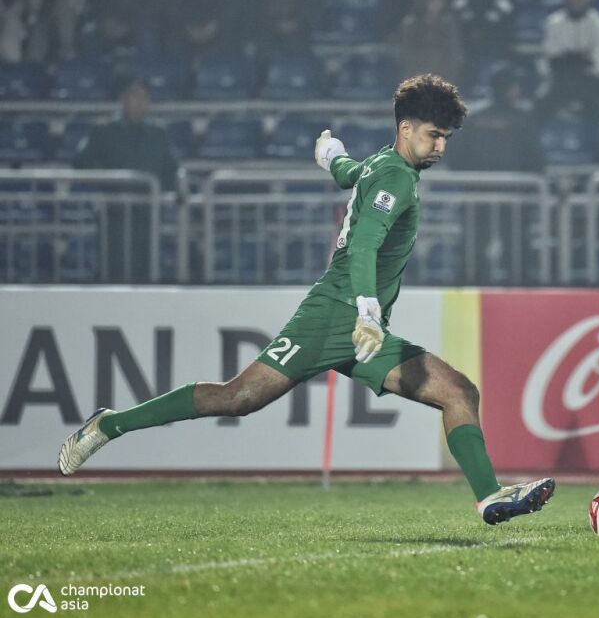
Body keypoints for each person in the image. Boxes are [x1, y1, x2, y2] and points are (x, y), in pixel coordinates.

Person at [58, 74, 556, 526]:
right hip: (337, 315)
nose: (441, 146)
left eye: (446, 137)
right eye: (433, 135)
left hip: (359, 326)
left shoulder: (384, 164)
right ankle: (111, 424)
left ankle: (489, 497)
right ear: (405, 128)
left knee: (458, 392)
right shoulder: (395, 177)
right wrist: (368, 311)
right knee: (239, 397)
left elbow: (348, 173)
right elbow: (364, 244)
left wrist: (329, 154)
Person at [74, 75, 178, 283]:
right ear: (122, 99)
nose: (140, 102)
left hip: (147, 213)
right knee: (113, 267)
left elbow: (171, 169)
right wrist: (103, 185)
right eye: (135, 96)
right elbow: (81, 163)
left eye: (145, 98)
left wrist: (164, 193)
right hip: (114, 212)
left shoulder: (158, 133)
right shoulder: (104, 131)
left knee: (145, 268)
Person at [446, 62, 544, 172]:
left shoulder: (471, 114)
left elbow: (534, 156)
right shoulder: (473, 116)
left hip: (507, 179)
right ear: (503, 87)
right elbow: (456, 155)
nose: (518, 89)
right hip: (481, 179)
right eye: (514, 85)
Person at [538, 0, 599, 119]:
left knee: (595, 108)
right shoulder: (554, 22)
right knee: (541, 103)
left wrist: (571, 58)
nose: (576, 1)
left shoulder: (597, 23)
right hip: (561, 78)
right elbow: (551, 53)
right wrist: (580, 57)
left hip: (587, 79)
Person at [395, 0, 464, 86]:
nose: (434, 3)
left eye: (438, 0)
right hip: (416, 79)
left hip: (442, 79)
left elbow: (453, 54)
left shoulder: (448, 26)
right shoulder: (411, 25)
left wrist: (445, 79)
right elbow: (407, 55)